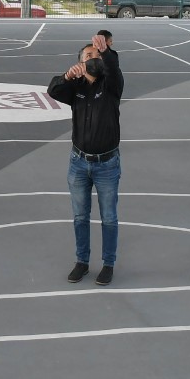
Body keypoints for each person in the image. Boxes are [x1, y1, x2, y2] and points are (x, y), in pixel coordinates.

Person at [47, 33, 124, 286]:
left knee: (109, 217)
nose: (93, 58)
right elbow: (53, 90)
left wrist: (107, 53)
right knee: (80, 216)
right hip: (78, 163)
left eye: (96, 55)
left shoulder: (111, 86)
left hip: (107, 165)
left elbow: (113, 68)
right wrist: (68, 76)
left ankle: (108, 264)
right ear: (79, 62)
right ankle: (82, 262)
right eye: (87, 56)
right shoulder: (75, 89)